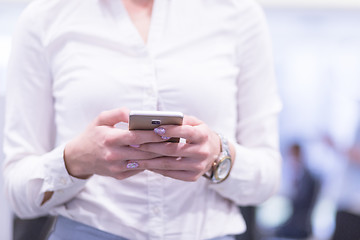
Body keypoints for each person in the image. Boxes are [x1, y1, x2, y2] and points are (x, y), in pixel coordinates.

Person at [2, 0, 282, 239]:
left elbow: (268, 177)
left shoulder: (239, 13)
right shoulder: (45, 17)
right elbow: (17, 191)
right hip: (87, 229)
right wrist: (75, 160)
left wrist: (217, 155)